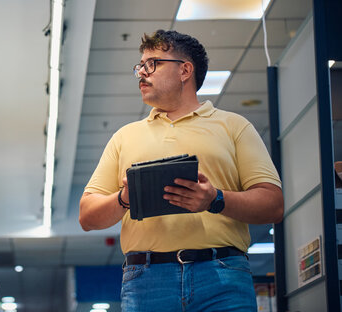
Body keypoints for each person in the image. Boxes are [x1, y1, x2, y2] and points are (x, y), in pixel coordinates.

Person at [78, 30, 283, 312]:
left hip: (223, 276)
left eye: (152, 64)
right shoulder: (124, 137)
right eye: (140, 66)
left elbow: (273, 205)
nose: (141, 73)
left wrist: (215, 200)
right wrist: (125, 198)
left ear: (185, 70)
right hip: (146, 281)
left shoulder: (234, 126)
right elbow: (87, 216)